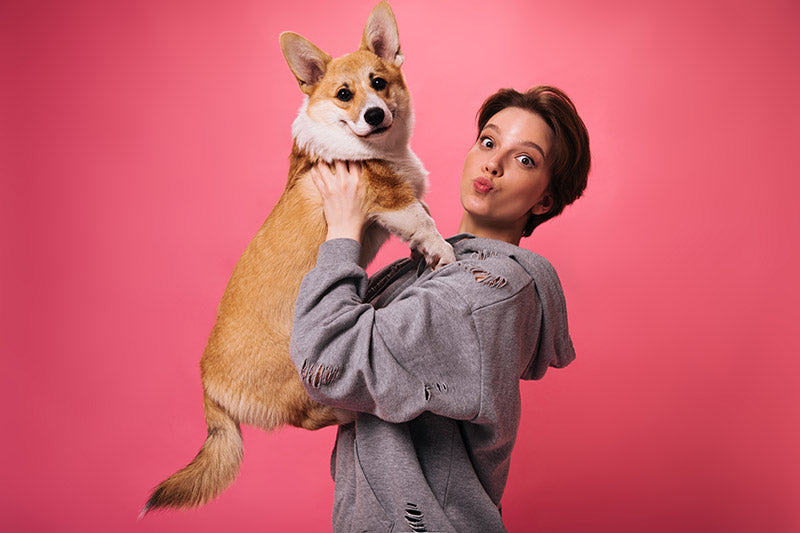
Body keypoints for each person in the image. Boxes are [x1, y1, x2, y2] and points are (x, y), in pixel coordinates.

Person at [289, 86, 590, 532]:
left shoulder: (487, 293)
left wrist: (342, 232)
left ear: (544, 200)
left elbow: (328, 361)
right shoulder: (421, 272)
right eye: (488, 142)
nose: (493, 163)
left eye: (524, 159)